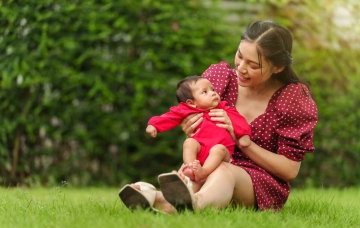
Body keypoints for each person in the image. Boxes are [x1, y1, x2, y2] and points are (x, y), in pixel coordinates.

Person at [119, 20, 318, 213]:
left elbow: (290, 170)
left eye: (253, 65)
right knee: (201, 170)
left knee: (224, 170)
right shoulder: (220, 80)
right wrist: (191, 126)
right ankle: (158, 198)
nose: (241, 68)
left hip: (258, 181)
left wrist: (244, 143)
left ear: (278, 67)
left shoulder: (291, 99)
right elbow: (190, 112)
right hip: (208, 163)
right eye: (239, 56)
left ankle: (192, 204)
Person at [146, 76, 251, 191]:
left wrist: (243, 135)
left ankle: (203, 172)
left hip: (221, 155)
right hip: (199, 154)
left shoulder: (224, 109)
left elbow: (238, 120)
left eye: (213, 89)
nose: (212, 93)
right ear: (191, 103)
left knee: (218, 149)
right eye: (205, 92)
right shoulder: (187, 110)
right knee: (189, 142)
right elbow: (170, 116)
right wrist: (154, 125)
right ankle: (190, 168)